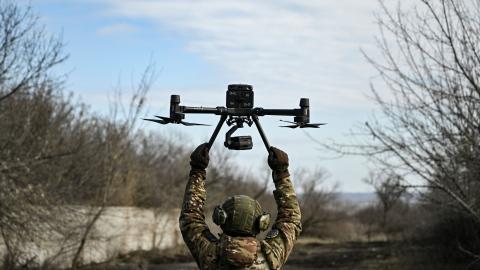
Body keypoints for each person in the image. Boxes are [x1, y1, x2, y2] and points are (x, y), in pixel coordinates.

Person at [179, 143, 302, 269]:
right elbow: (291, 219)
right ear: (261, 223)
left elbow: (190, 217)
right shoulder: (271, 256)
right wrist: (281, 173)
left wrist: (197, 171)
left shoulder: (209, 253)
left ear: (221, 218)